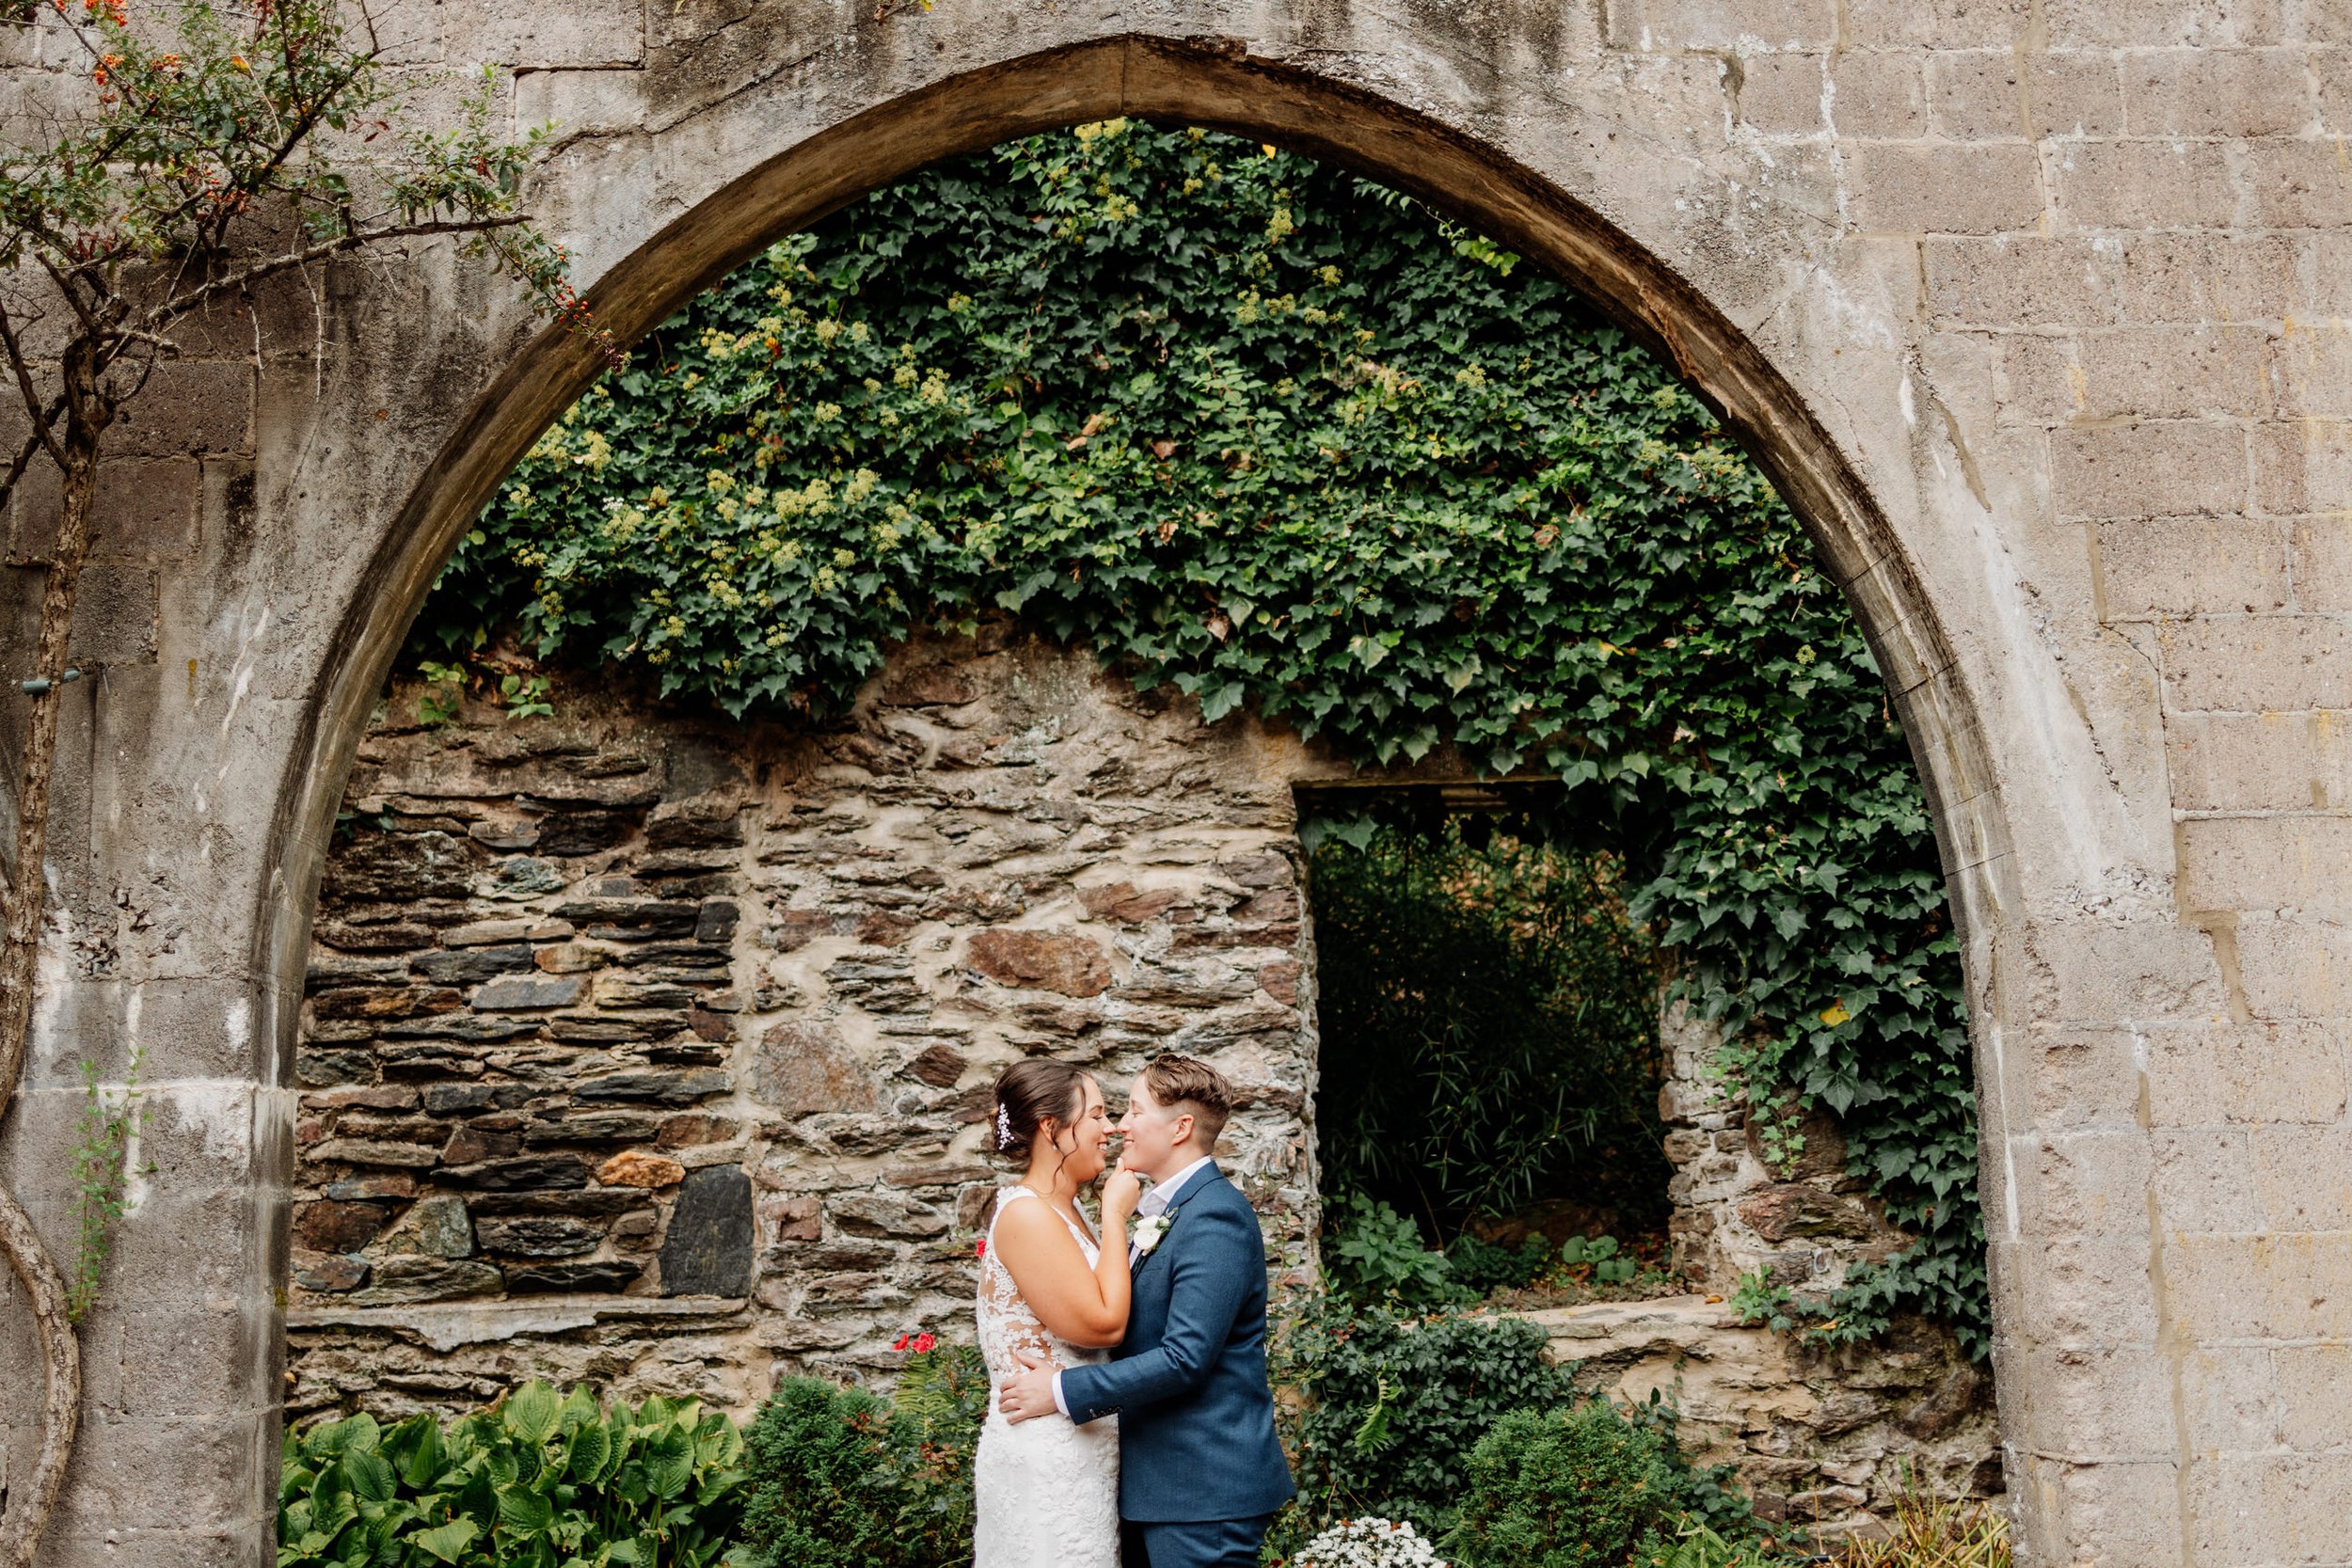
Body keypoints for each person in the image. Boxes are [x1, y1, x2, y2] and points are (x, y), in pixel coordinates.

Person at [998, 1054, 1296, 1568]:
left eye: (1134, 1111)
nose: (1121, 1125)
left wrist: (1061, 1388)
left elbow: (1185, 1358)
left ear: (1180, 1127)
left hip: (1203, 1491)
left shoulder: (1214, 1215)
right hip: (1160, 1487)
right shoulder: (1165, 1212)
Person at [973, 1059, 1141, 1568]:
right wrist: (1116, 1215)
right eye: (1096, 1115)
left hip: (1081, 1447)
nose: (1110, 1128)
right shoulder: (1027, 1213)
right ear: (1053, 1128)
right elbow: (1102, 1324)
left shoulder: (1068, 1209)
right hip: (1046, 1458)